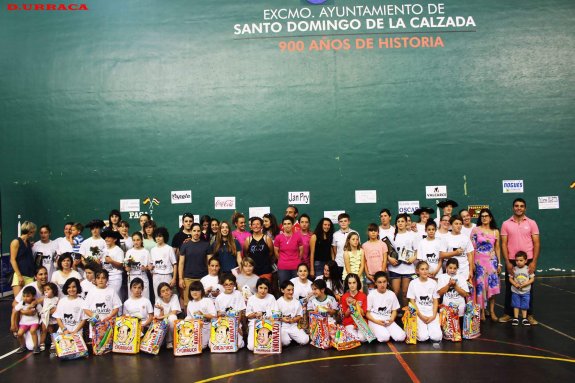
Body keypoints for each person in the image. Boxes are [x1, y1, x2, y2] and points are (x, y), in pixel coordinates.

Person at [499, 198, 540, 325]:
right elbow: (504, 244)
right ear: (513, 208)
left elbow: (536, 243)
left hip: (528, 260)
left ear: (525, 208)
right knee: (510, 287)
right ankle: (508, 314)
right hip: (512, 260)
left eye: (521, 206)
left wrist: (533, 262)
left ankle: (529, 315)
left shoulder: (532, 223)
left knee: (528, 288)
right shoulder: (506, 224)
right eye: (516, 206)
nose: (519, 208)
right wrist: (507, 261)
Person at [471, 208, 501, 321]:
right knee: (480, 288)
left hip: (492, 263)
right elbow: (472, 248)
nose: (484, 218)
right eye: (482, 216)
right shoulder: (475, 230)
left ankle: (492, 311)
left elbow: (497, 248)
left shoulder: (495, 231)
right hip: (479, 263)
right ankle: (482, 312)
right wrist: (472, 264)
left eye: (486, 216)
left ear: (490, 218)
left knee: (492, 287)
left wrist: (499, 264)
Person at [407, 261, 442, 342]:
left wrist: (433, 316)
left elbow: (435, 300)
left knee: (436, 337)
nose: (425, 271)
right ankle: (423, 329)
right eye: (422, 269)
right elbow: (412, 302)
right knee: (423, 337)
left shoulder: (433, 283)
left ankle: (431, 328)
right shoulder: (413, 283)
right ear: (417, 271)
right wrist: (420, 316)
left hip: (431, 312)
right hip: (419, 313)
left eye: (426, 269)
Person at [366, 272, 406, 343]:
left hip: (387, 320)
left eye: (384, 282)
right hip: (375, 320)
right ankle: (375, 330)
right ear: (375, 283)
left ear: (387, 282)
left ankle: (385, 331)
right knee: (384, 337)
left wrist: (391, 319)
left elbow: (394, 310)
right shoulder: (371, 294)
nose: (382, 284)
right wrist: (377, 322)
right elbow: (367, 314)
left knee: (401, 337)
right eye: (379, 282)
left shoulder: (391, 294)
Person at [388, 214, 416, 308]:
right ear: (396, 223)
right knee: (395, 292)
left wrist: (413, 258)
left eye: (402, 221)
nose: (400, 223)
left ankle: (405, 315)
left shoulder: (412, 235)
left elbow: (417, 251)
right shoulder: (391, 236)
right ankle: (393, 314)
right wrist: (389, 258)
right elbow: (386, 251)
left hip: (408, 269)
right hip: (394, 268)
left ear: (406, 223)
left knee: (405, 293)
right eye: (398, 221)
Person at [11, 266, 49, 336]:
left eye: (45, 274)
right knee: (31, 346)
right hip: (31, 320)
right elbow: (14, 303)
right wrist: (24, 311)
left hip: (45, 318)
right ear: (35, 277)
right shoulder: (29, 287)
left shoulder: (52, 286)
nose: (44, 276)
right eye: (40, 274)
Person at [179, 223, 210, 307]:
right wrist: (181, 279)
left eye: (198, 231)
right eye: (194, 231)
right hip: (188, 278)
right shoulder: (185, 245)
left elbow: (209, 262)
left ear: (201, 232)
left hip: (203, 278)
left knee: (203, 304)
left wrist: (210, 278)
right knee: (188, 304)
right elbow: (181, 263)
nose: (196, 233)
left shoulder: (206, 245)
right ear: (191, 232)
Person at [214, 273, 246, 348]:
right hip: (223, 324)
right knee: (213, 344)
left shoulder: (238, 294)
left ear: (234, 284)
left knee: (238, 345)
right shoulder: (219, 298)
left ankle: (240, 339)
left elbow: (240, 312)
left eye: (231, 284)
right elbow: (217, 314)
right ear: (223, 285)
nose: (229, 286)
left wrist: (237, 327)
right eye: (226, 284)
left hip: (235, 323)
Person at [246, 278, 278, 351]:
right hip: (255, 323)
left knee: (278, 344)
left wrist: (264, 314)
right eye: (261, 288)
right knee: (251, 347)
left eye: (265, 288)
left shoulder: (271, 297)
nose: (263, 291)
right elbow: (247, 315)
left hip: (269, 323)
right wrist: (255, 314)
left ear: (268, 289)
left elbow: (275, 313)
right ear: (257, 287)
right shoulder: (251, 298)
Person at [439, 216, 474, 282]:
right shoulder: (445, 238)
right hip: (451, 271)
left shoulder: (465, 237)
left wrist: (471, 270)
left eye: (460, 224)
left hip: (464, 270)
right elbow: (442, 255)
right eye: (456, 224)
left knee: (464, 291)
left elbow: (469, 255)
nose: (459, 226)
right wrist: (455, 253)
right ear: (451, 225)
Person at [277, 280, 309, 347]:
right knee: (285, 342)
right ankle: (288, 338)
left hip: (293, 326)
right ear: (282, 290)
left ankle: (292, 337)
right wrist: (282, 319)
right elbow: (275, 316)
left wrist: (293, 320)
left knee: (305, 340)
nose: (291, 292)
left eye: (292, 290)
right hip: (282, 327)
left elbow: (300, 315)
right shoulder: (278, 302)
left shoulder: (296, 302)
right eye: (288, 290)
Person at [184, 281, 216, 349]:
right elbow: (189, 317)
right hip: (195, 328)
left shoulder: (207, 301)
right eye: (192, 290)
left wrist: (203, 315)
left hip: (206, 326)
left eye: (197, 290)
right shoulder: (190, 303)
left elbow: (214, 316)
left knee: (202, 346)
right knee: (187, 319)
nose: (194, 292)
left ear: (201, 291)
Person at [243, 217, 275, 281]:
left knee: (265, 289)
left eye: (258, 224)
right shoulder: (248, 240)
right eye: (254, 224)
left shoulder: (267, 238)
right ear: (251, 227)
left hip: (266, 271)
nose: (256, 226)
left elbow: (271, 253)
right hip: (252, 272)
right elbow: (246, 254)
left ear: (261, 226)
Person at [10, 221, 37, 296]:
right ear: (30, 231)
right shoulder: (16, 242)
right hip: (20, 275)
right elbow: (12, 259)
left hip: (30, 276)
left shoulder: (28, 243)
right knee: (18, 303)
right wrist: (19, 276)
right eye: (33, 230)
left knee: (28, 301)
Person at [150, 227, 178, 301]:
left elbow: (174, 264)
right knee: (157, 297)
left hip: (167, 276)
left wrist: (174, 278)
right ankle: (159, 312)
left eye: (160, 236)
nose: (158, 238)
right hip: (156, 276)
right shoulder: (153, 250)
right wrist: (150, 267)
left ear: (164, 237)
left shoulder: (169, 248)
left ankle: (170, 312)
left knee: (168, 296)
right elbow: (151, 264)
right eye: (156, 236)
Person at [275, 215, 304, 284]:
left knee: (296, 287)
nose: (287, 226)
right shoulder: (278, 237)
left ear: (292, 225)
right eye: (285, 224)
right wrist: (282, 260)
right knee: (284, 287)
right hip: (282, 267)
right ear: (282, 226)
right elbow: (276, 252)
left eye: (289, 223)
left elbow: (301, 250)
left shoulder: (298, 237)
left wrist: (297, 260)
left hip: (295, 267)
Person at [340, 273, 368, 342]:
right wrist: (350, 307)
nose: (352, 285)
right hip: (349, 322)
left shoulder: (363, 296)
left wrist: (356, 303)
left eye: (354, 282)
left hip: (361, 321)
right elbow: (345, 315)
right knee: (354, 338)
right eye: (350, 283)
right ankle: (353, 338)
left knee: (362, 338)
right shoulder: (344, 297)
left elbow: (364, 314)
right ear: (347, 284)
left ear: (358, 283)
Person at [509, 251, 535, 326]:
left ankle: (524, 318)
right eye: (517, 260)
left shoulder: (528, 269)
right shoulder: (514, 269)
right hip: (515, 291)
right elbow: (510, 279)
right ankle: (516, 318)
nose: (518, 262)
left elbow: (532, 279)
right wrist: (515, 284)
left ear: (526, 261)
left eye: (521, 260)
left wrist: (526, 283)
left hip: (526, 292)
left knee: (525, 306)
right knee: (516, 305)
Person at [124, 232, 151, 300]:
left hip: (142, 276)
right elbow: (126, 267)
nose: (136, 242)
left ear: (141, 240)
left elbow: (150, 267)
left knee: (144, 299)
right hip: (132, 277)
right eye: (134, 240)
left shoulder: (146, 252)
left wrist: (146, 268)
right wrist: (127, 268)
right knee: (132, 299)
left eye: (138, 240)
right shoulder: (129, 252)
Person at [154, 282, 181, 349]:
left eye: (167, 290)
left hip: (171, 322)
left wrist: (162, 316)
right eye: (163, 291)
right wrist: (162, 310)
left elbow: (174, 312)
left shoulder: (174, 297)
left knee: (172, 318)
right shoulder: (158, 301)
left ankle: (174, 340)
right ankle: (168, 341)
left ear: (171, 291)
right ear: (160, 295)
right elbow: (158, 319)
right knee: (166, 320)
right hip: (162, 325)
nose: (166, 292)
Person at [15, 286, 41, 353]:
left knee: (33, 331)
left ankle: (36, 347)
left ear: (33, 296)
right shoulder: (22, 303)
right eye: (24, 296)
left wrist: (40, 322)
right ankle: (22, 346)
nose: (25, 298)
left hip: (34, 322)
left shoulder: (36, 304)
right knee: (20, 334)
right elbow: (16, 309)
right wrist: (22, 311)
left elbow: (41, 312)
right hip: (24, 323)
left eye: (28, 296)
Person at [100, 230, 125, 297]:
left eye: (108, 237)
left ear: (115, 239)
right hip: (105, 277)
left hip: (115, 277)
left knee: (114, 296)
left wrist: (111, 261)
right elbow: (103, 264)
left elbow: (121, 265)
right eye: (105, 238)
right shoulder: (103, 250)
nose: (106, 239)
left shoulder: (119, 250)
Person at [362, 223, 388, 289]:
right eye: (371, 231)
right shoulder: (364, 245)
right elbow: (364, 261)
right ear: (368, 232)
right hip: (370, 275)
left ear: (378, 232)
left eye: (375, 231)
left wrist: (382, 273)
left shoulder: (383, 244)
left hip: (381, 274)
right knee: (371, 294)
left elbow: (385, 260)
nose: (373, 232)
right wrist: (367, 274)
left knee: (382, 294)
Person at [39, 282, 59, 351]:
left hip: (52, 317)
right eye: (45, 290)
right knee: (44, 330)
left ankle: (53, 343)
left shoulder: (56, 299)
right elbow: (37, 302)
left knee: (51, 331)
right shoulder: (44, 298)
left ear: (53, 290)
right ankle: (42, 343)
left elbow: (58, 307)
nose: (46, 291)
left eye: (48, 289)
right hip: (45, 317)